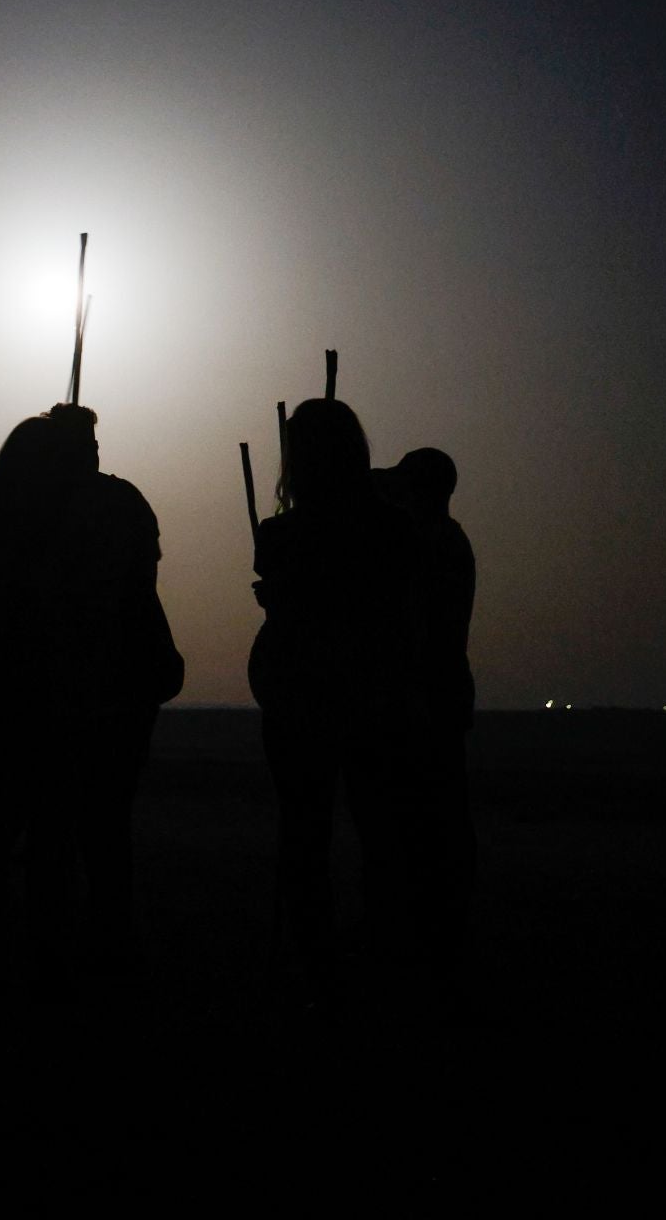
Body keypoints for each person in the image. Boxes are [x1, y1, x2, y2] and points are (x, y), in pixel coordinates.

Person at [0, 404, 180, 998]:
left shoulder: (10, 530)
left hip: (54, 697)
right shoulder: (103, 510)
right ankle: (82, 951)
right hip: (84, 695)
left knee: (35, 829)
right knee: (90, 830)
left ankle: (29, 950)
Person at [248, 398, 425, 1012]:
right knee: (380, 829)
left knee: (305, 830)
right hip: (374, 698)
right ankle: (386, 951)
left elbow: (293, 604)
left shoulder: (280, 535)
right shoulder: (396, 528)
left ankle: (317, 958)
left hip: (303, 698)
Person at [384, 447, 476, 976]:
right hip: (441, 694)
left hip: (427, 698)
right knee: (440, 815)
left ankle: (433, 932)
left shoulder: (430, 545)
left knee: (429, 819)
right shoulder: (446, 539)